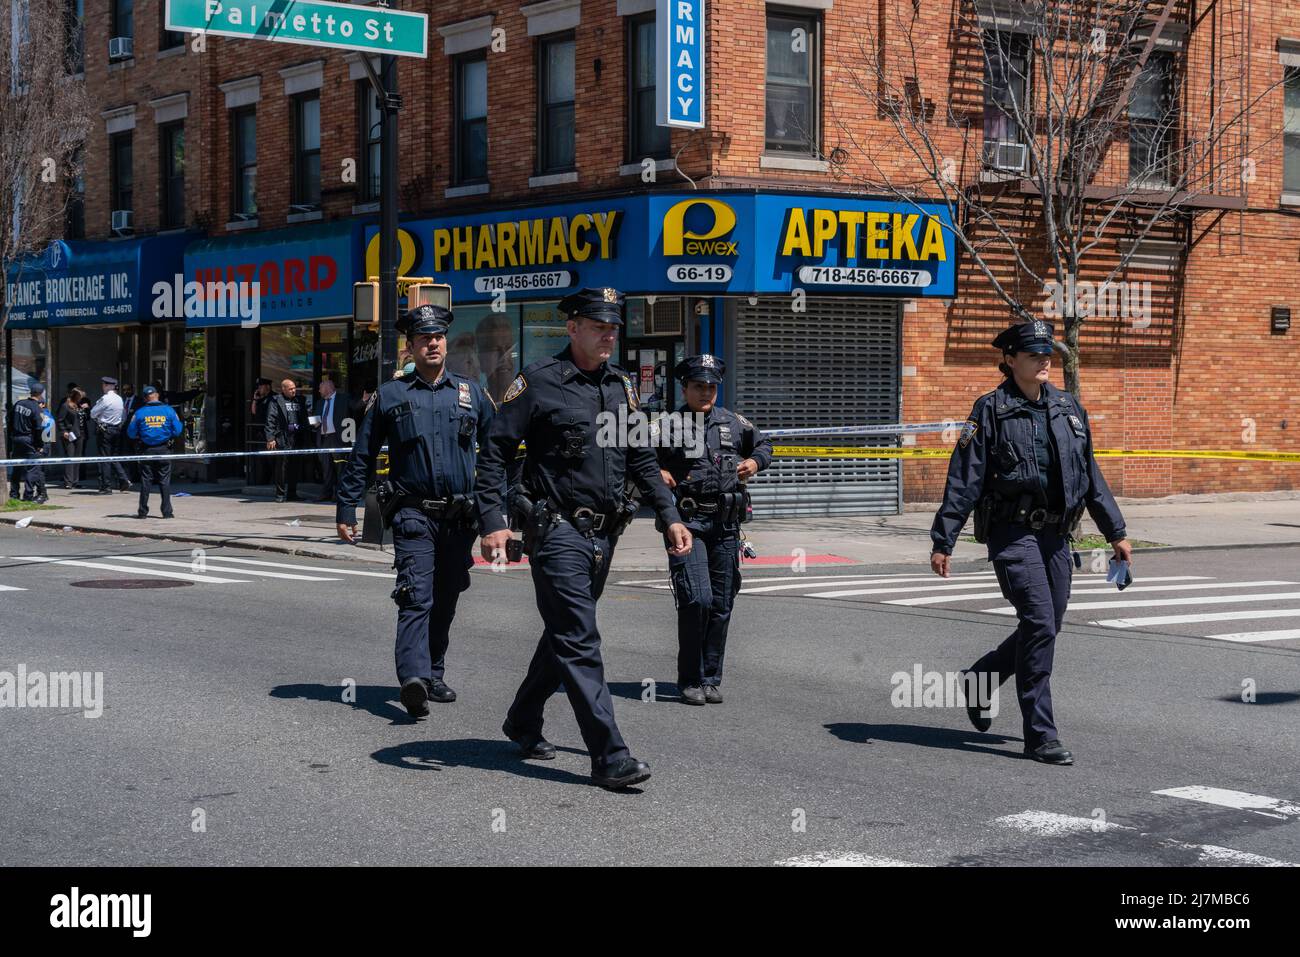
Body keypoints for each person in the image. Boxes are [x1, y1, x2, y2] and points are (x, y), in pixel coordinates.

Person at [476, 287, 693, 791]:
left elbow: (641, 459)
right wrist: (492, 521)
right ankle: (610, 755)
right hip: (556, 532)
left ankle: (523, 717)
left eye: (614, 328)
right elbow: (495, 453)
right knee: (579, 637)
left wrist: (669, 516)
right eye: (599, 327)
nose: (609, 336)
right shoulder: (537, 382)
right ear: (572, 328)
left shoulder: (620, 387)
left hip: (605, 535)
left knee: (563, 634)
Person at [929, 320, 1131, 766]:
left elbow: (1090, 474)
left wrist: (1115, 531)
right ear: (1010, 360)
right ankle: (1040, 735)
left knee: (1046, 626)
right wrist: (944, 538)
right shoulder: (990, 410)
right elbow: (964, 479)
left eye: (1048, 354)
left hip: (1057, 536)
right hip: (1013, 534)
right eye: (1034, 354)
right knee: (1039, 622)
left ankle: (981, 678)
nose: (1044, 360)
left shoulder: (1067, 407)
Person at [336, 304, 495, 718]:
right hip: (412, 514)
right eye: (424, 338)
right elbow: (362, 454)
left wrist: (500, 510)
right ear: (411, 346)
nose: (433, 343)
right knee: (415, 595)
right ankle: (413, 678)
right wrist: (346, 507)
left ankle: (434, 672)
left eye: (438, 337)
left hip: (460, 517)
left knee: (446, 597)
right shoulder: (390, 395)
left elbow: (499, 452)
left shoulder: (471, 392)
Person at [657, 354, 772, 706]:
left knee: (722, 603)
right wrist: (656, 475)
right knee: (698, 600)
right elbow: (637, 457)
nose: (705, 391)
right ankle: (689, 679)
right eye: (698, 386)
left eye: (711, 386)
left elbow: (765, 445)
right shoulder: (666, 424)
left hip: (725, 524)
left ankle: (710, 677)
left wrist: (755, 461)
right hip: (687, 524)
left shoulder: (733, 423)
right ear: (684, 388)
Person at [126, 386, 184, 519]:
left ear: (145, 398)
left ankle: (142, 512)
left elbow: (131, 433)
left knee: (146, 481)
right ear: (157, 395)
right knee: (164, 481)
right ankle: (167, 512)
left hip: (146, 450)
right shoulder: (169, 411)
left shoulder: (139, 413)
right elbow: (177, 431)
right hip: (164, 449)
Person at [265, 379, 308, 503]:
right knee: (281, 468)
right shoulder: (276, 400)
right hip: (283, 438)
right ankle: (280, 494)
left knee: (295, 467)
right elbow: (270, 420)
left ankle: (292, 493)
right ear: (283, 389)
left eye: (294, 388)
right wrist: (270, 438)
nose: (293, 390)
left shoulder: (299, 400)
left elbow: (304, 418)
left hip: (297, 438)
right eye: (290, 389)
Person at [90, 376, 131, 494]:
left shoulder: (105, 399)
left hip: (105, 431)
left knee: (105, 459)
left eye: (103, 385)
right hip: (116, 430)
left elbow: (93, 413)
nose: (102, 387)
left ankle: (106, 486)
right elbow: (123, 416)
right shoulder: (119, 399)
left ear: (108, 386)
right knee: (114, 456)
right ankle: (124, 479)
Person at [8, 383, 48, 503]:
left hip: (16, 439)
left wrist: (11, 437)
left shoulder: (18, 404)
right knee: (32, 469)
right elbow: (39, 429)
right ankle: (28, 496)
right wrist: (39, 445)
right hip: (29, 440)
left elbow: (9, 420)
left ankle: (14, 494)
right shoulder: (37, 408)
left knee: (17, 467)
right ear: (40, 394)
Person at [314, 378, 350, 502]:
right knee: (326, 467)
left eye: (320, 388)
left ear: (327, 388)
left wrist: (364, 400)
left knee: (340, 467)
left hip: (338, 438)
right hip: (324, 438)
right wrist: (313, 422)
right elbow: (316, 418)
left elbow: (355, 408)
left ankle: (339, 493)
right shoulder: (320, 402)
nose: (319, 390)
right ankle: (326, 492)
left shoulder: (343, 399)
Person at [58, 387, 86, 489]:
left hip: (80, 434)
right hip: (70, 434)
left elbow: (84, 419)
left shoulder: (79, 406)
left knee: (78, 458)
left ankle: (75, 481)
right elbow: (60, 420)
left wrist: (85, 410)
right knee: (70, 457)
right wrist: (64, 431)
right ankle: (68, 482)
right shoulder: (65, 406)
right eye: (80, 397)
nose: (81, 399)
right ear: (75, 396)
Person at [249, 377, 274, 485]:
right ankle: (263, 480)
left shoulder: (274, 398)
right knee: (261, 458)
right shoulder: (260, 398)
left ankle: (272, 480)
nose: (259, 389)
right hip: (260, 433)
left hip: (269, 433)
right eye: (258, 387)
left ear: (267, 387)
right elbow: (254, 412)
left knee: (271, 458)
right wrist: (255, 399)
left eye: (261, 386)